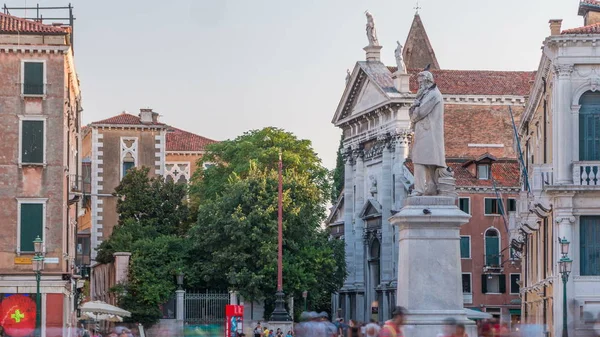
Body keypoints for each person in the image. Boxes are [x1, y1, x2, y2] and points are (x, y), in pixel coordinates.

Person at [408, 69, 446, 196]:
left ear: (427, 81)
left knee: (419, 160)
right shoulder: (426, 94)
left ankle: (419, 189)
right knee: (427, 160)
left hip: (429, 132)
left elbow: (420, 112)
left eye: (421, 83)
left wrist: (415, 108)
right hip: (425, 132)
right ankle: (430, 187)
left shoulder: (433, 95)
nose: (419, 86)